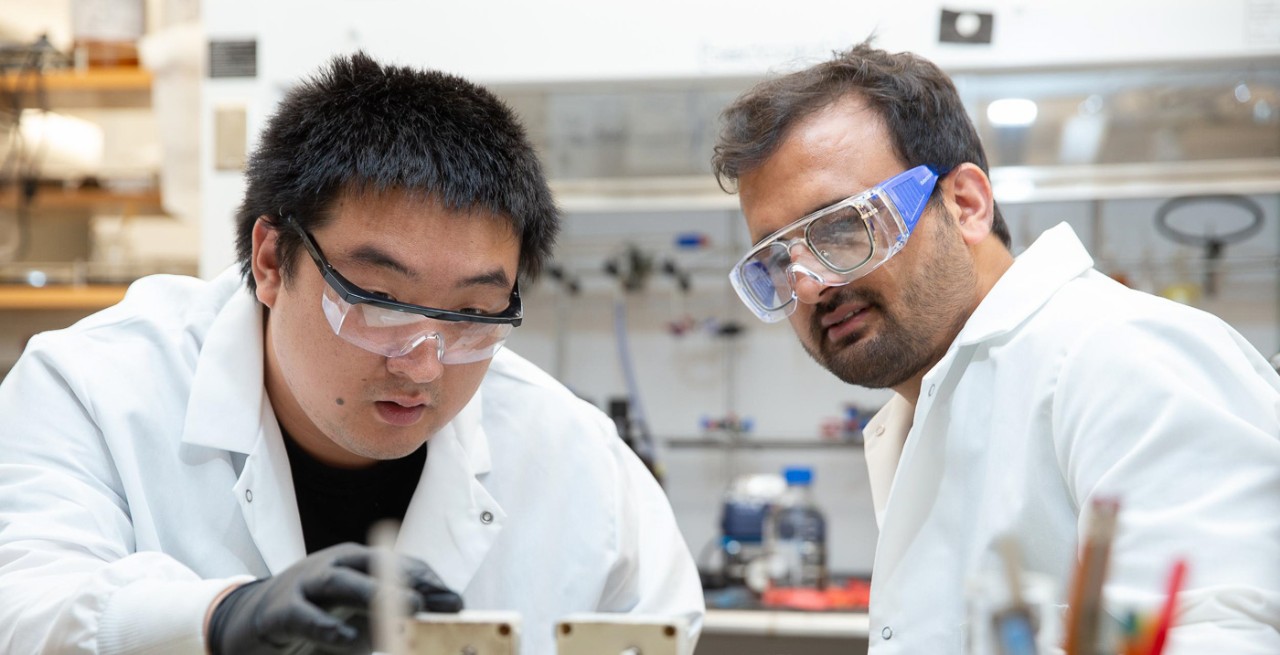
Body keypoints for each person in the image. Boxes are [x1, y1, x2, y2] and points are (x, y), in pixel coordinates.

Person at [0, 52, 703, 655]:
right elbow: (23, 606)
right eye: (379, 302)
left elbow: (661, 619)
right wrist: (220, 617)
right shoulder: (94, 388)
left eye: (472, 315)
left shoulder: (572, 453)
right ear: (272, 258)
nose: (423, 363)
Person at [712, 41, 1280, 653]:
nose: (808, 284)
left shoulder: (1124, 357)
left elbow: (1223, 637)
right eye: (776, 258)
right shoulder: (923, 411)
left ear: (965, 205)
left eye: (843, 227)